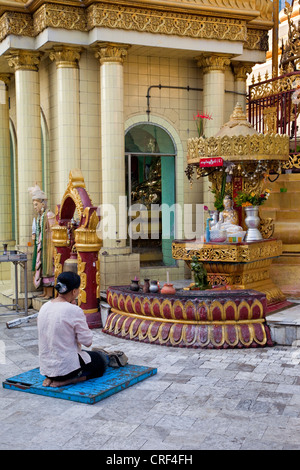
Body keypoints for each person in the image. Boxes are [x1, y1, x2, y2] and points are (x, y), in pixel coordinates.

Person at [37, 271, 108, 388]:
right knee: (100, 361)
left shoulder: (45, 306)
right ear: (74, 291)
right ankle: (67, 381)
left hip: (46, 368)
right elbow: (87, 341)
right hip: (66, 370)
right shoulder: (74, 310)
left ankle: (51, 378)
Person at [28, 184, 56, 298]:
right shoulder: (40, 217)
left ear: (42, 204)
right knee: (41, 267)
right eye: (34, 205)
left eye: (36, 204)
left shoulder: (49, 215)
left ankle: (49, 293)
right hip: (41, 245)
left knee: (48, 268)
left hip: (48, 246)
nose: (35, 207)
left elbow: (53, 231)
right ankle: (44, 291)